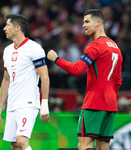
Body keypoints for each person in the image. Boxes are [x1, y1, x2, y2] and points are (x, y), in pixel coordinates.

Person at [47, 9, 122, 150]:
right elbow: (118, 81)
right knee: (103, 147)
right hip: (110, 104)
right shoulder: (116, 48)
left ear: (98, 23)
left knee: (84, 145)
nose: (83, 25)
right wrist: (108, 95)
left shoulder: (95, 46)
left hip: (94, 103)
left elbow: (77, 69)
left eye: (87, 21)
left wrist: (56, 59)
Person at [0, 14, 50, 150]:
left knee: (21, 141)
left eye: (7, 25)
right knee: (14, 145)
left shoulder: (34, 48)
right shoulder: (7, 51)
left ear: (17, 27)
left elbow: (45, 77)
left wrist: (45, 104)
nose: (4, 28)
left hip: (28, 103)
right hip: (12, 103)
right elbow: (6, 80)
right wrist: (0, 106)